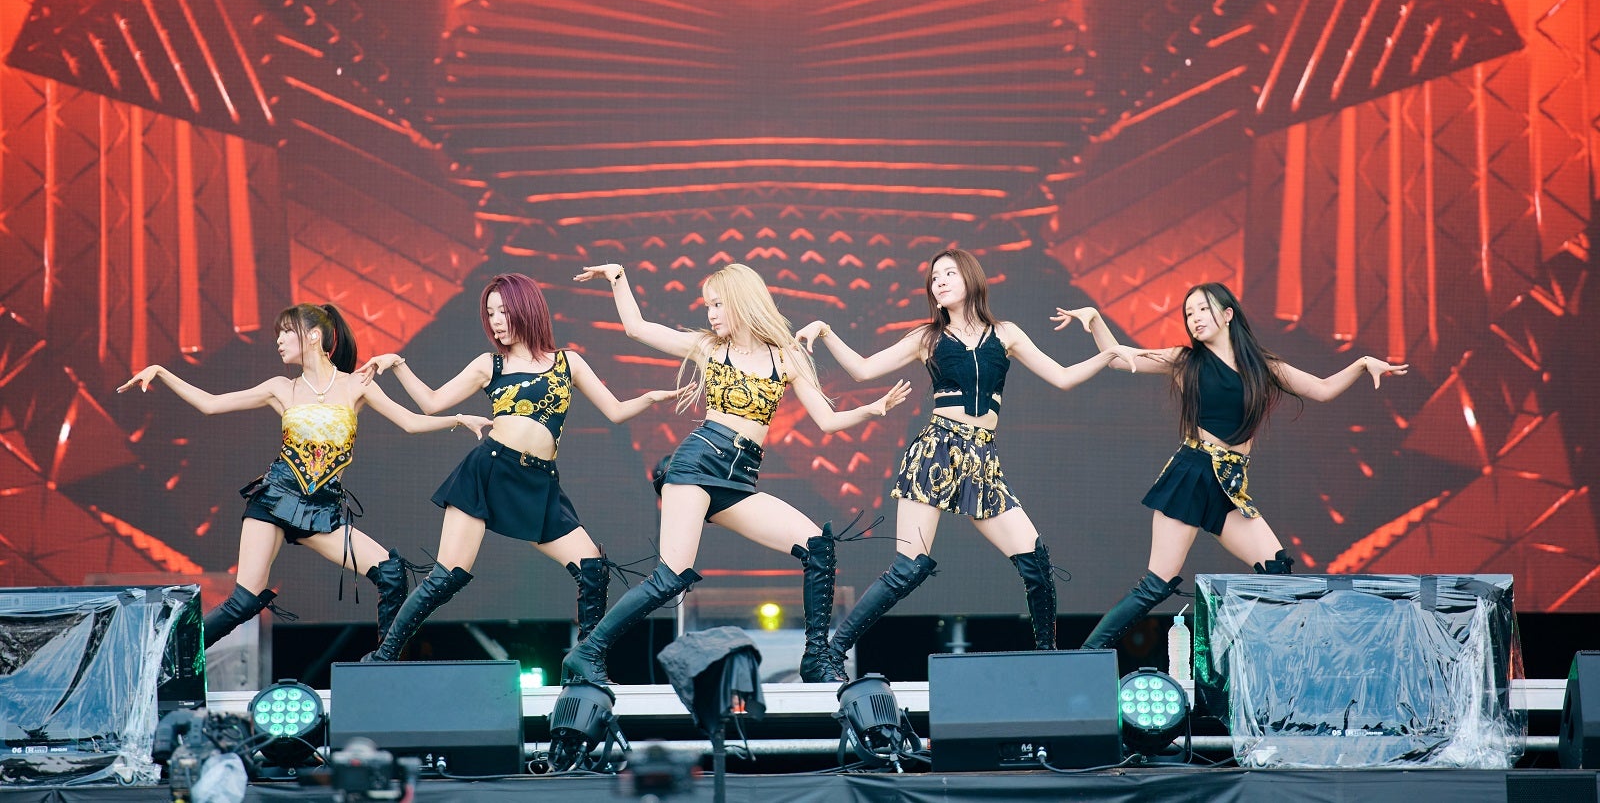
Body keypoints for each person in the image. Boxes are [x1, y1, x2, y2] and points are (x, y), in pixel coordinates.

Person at [792, 247, 1145, 677]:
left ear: (971, 279)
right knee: (909, 567)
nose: (939, 281)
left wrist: (1107, 353)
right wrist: (826, 330)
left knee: (1035, 560)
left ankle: (1048, 659)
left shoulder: (1006, 334)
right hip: (937, 451)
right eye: (934, 277)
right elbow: (863, 370)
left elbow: (1063, 376)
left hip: (982, 459)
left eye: (949, 273)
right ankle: (831, 653)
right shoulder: (927, 338)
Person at [560, 262, 912, 686]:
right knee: (671, 576)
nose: (710, 314)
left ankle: (817, 659)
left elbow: (827, 420)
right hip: (697, 465)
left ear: (742, 302)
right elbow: (637, 329)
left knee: (818, 546)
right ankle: (588, 652)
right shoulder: (709, 348)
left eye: (717, 304)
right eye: (708, 305)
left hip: (740, 479)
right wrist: (618, 278)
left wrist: (873, 409)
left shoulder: (787, 357)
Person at [1053, 282, 1408, 649]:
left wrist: (1362, 365)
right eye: (1189, 313)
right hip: (1192, 475)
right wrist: (1095, 320)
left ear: (1227, 314)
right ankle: (1086, 656)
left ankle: (1256, 654)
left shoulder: (1262, 367)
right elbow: (1117, 357)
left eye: (1202, 309)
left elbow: (1322, 389)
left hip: (1229, 485)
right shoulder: (1184, 360)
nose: (1194, 318)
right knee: (1157, 583)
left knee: (1277, 571)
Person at [117, 303, 491, 647]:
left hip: (321, 510)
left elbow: (409, 422)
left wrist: (458, 419)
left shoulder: (356, 385)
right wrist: (162, 372)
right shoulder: (281, 388)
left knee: (391, 573)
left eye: (286, 332)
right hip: (274, 500)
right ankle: (172, 656)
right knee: (244, 600)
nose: (278, 340)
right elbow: (210, 405)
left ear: (313, 336)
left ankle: (382, 665)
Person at [357, 272, 677, 661]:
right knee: (447, 576)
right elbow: (431, 402)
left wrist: (650, 398)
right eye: (490, 313)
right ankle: (384, 655)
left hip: (538, 482)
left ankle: (587, 661)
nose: (495, 321)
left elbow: (615, 411)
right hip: (489, 471)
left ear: (525, 309)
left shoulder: (568, 363)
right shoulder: (489, 365)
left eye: (502, 311)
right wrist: (398, 364)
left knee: (593, 567)